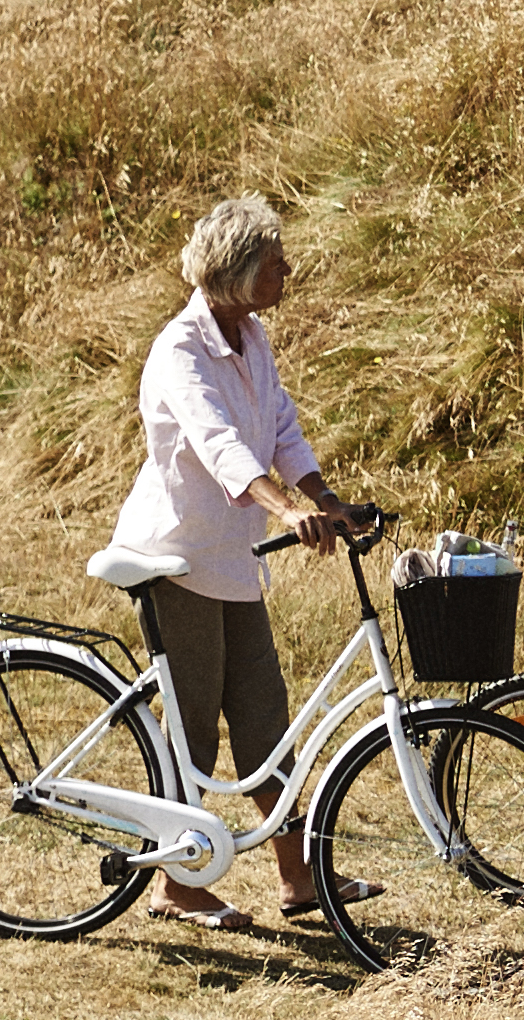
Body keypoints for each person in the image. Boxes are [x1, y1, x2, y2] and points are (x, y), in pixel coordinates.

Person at [89, 193, 378, 927]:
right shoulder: (180, 349)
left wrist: (324, 496)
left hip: (235, 557)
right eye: (275, 263)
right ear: (239, 271)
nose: (288, 271)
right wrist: (286, 510)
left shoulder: (250, 337)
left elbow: (279, 426)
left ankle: (298, 878)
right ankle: (176, 886)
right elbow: (219, 442)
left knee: (263, 720)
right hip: (177, 560)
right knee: (192, 727)